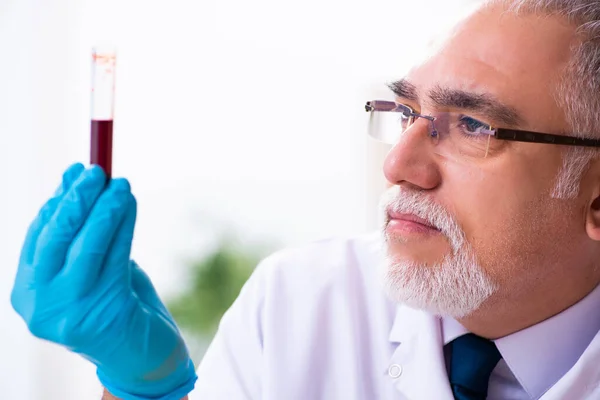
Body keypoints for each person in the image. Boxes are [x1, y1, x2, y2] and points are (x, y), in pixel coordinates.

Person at [10, 0, 600, 399]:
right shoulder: (301, 302)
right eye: (407, 113)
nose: (399, 166)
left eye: (473, 125)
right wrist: (141, 389)